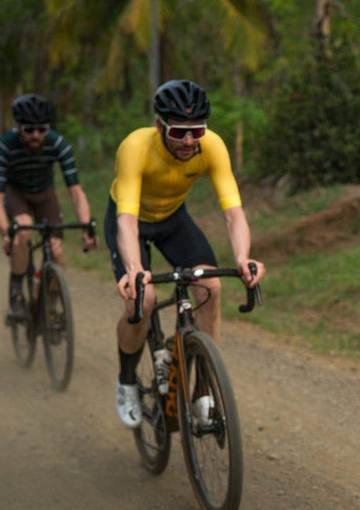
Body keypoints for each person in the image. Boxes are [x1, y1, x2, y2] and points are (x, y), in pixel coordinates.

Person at [106, 79, 265, 429]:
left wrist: (242, 258)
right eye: (179, 132)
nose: (189, 141)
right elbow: (127, 222)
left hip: (173, 220)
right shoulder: (136, 147)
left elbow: (233, 213)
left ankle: (204, 389)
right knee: (142, 302)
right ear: (159, 125)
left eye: (197, 131)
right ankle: (127, 379)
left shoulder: (212, 147)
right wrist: (134, 270)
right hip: (130, 221)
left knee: (211, 287)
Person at [0, 94, 95, 321]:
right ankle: (17, 295)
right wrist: (6, 232)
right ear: (17, 127)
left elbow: (76, 192)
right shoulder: (4, 146)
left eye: (42, 129)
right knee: (23, 231)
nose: (36, 135)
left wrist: (86, 226)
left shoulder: (57, 143)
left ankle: (54, 305)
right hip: (15, 193)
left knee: (56, 251)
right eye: (29, 130)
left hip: (44, 193)